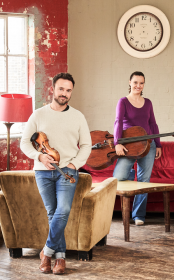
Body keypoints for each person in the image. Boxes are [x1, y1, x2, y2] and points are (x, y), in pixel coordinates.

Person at [20, 73, 92, 274]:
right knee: (53, 213)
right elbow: (24, 142)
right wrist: (39, 157)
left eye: (68, 90)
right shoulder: (38, 114)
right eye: (61, 89)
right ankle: (60, 259)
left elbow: (86, 145)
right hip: (43, 172)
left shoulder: (78, 116)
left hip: (67, 172)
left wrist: (75, 164)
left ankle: (47, 252)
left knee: (63, 210)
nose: (65, 94)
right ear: (53, 89)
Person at [113, 71, 162, 226]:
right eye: (135, 82)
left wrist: (158, 143)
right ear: (129, 83)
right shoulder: (123, 101)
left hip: (148, 145)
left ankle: (138, 215)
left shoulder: (148, 102)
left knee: (144, 181)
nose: (138, 86)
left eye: (141, 83)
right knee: (119, 176)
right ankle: (131, 172)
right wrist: (117, 143)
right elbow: (118, 122)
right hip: (129, 146)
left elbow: (153, 124)